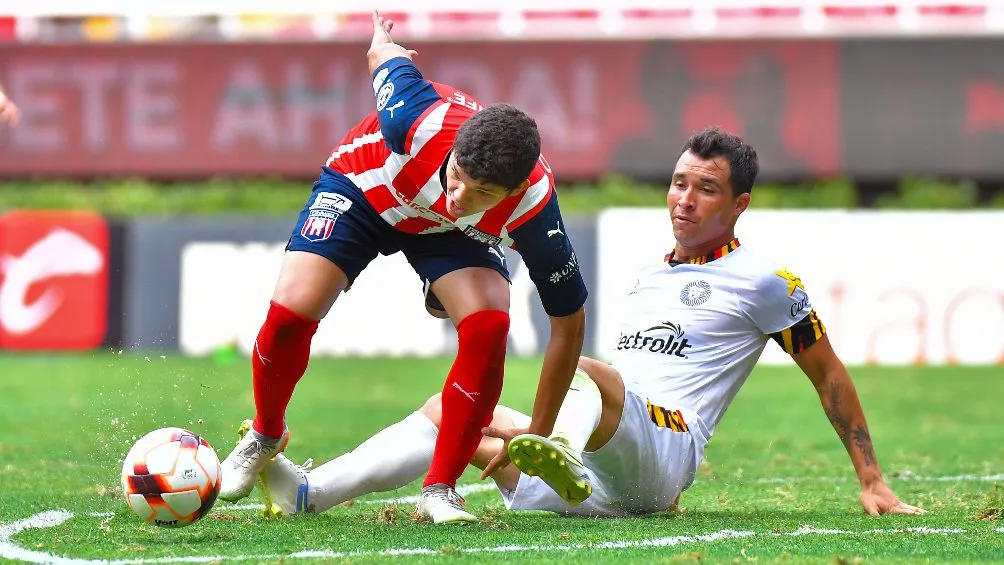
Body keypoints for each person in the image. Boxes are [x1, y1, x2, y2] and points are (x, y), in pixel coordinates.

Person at [249, 126, 924, 519]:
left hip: (665, 448)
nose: (684, 199)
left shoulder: (766, 281)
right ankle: (312, 490)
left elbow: (828, 371)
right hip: (600, 478)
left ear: (739, 203)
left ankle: (557, 448)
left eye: (706, 188)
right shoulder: (651, 271)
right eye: (680, 181)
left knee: (590, 371)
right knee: (447, 412)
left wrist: (870, 477)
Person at [217, 10, 588, 525]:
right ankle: (265, 433)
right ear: (454, 151)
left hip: (446, 237)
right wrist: (382, 38)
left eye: (484, 194)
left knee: (488, 328)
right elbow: (381, 54)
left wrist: (540, 432)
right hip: (365, 189)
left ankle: (441, 488)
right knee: (290, 315)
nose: (460, 197)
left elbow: (568, 324)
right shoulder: (414, 118)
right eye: (457, 176)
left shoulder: (535, 208)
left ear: (515, 190)